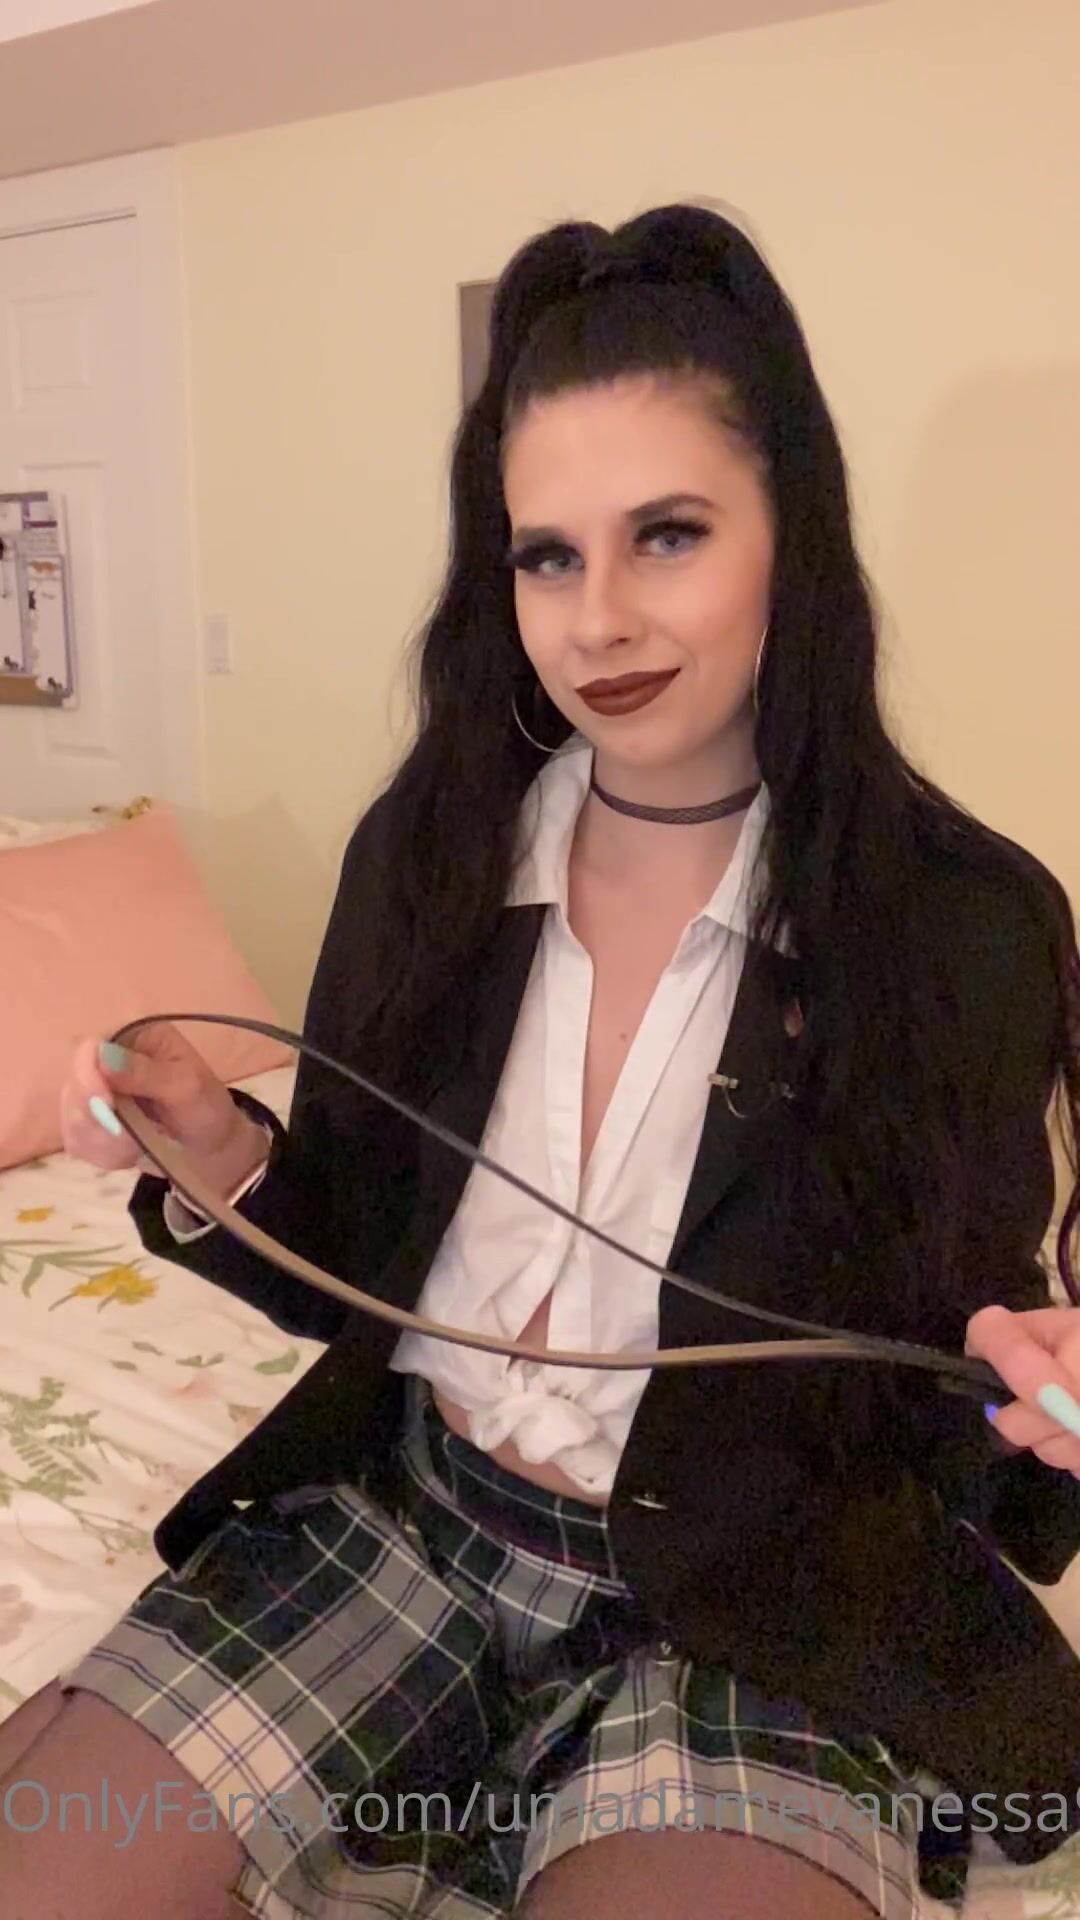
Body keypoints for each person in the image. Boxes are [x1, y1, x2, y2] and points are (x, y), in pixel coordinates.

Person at [2, 201, 1078, 1920]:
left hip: (750, 1594)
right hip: (402, 1523)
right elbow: (355, 1258)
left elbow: (947, 1380)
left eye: (670, 536)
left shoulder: (961, 922)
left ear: (790, 539)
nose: (600, 621)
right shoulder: (427, 856)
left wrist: (1033, 1398)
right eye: (548, 558)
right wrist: (216, 1151)